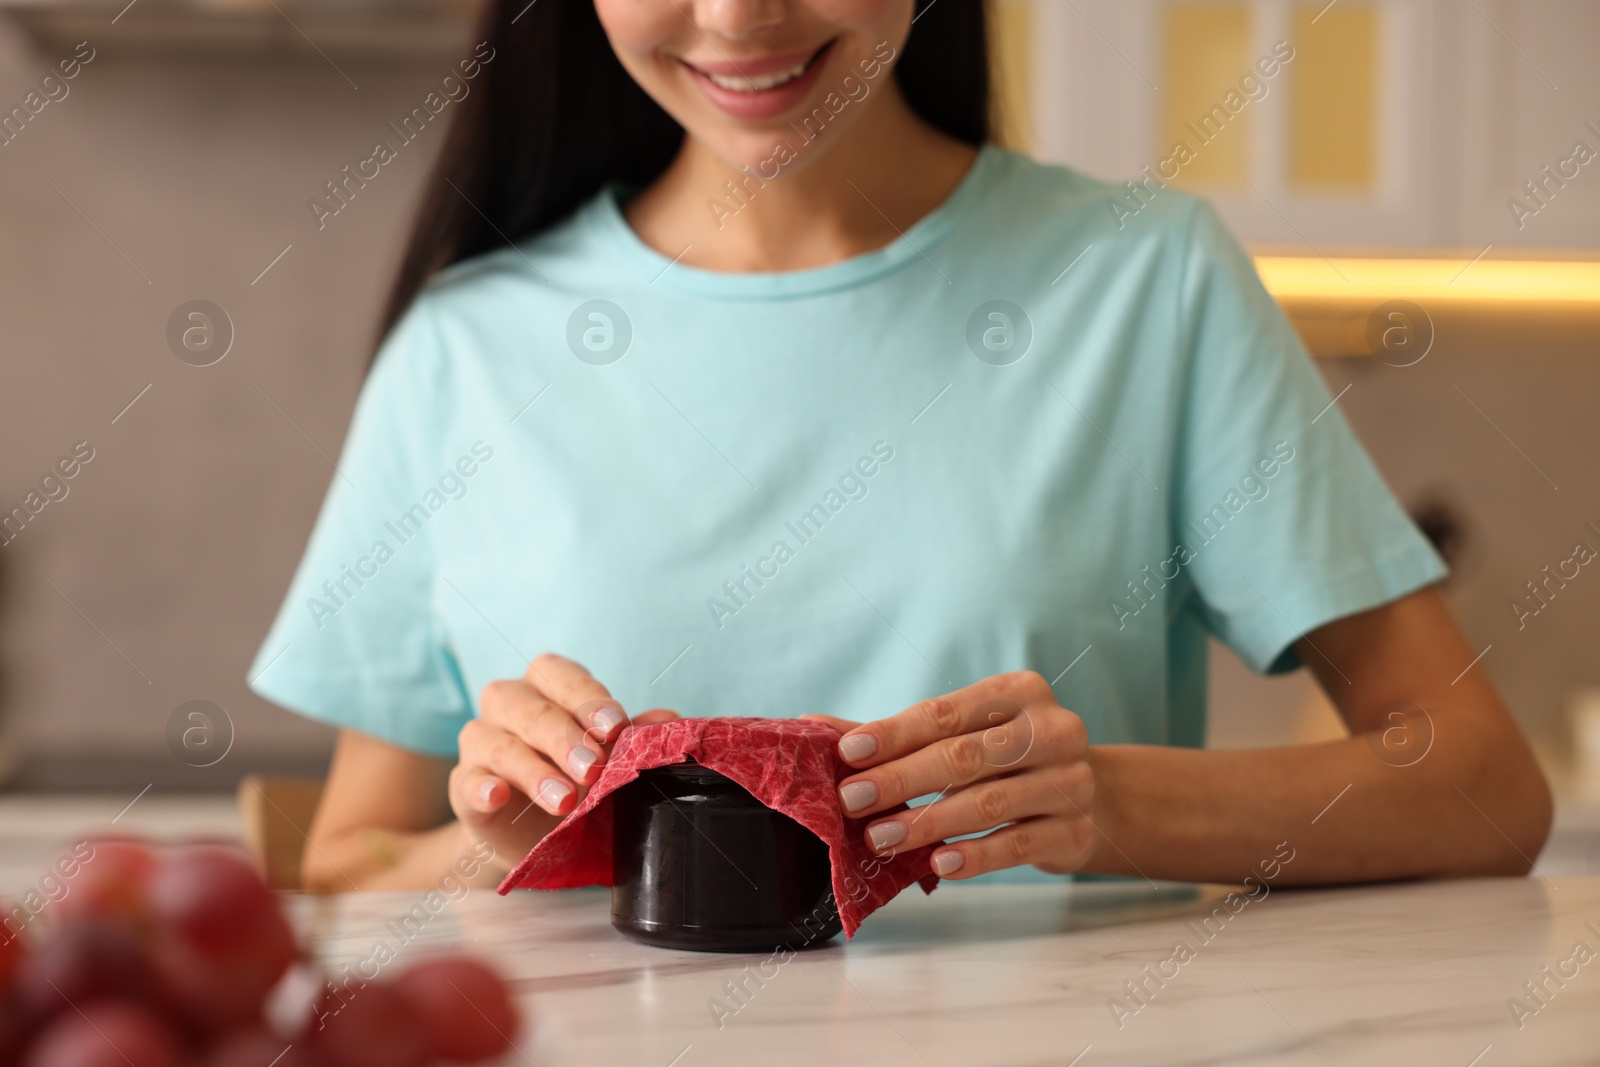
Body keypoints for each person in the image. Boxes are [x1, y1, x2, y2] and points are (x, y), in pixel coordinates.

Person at [249, 0, 1551, 893]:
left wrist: (1111, 805)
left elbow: (1485, 785)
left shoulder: (1144, 282)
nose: (740, 15)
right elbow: (352, 875)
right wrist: (506, 846)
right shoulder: (468, 348)